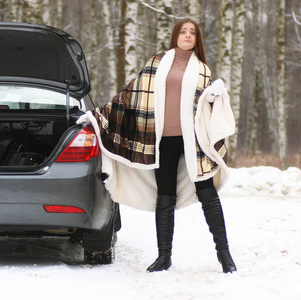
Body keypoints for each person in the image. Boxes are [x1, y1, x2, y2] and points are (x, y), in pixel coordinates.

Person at [78, 18, 237, 273]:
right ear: (175, 36)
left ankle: (224, 255)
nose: (187, 35)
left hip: (194, 141)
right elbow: (131, 94)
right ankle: (164, 257)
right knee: (165, 198)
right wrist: (97, 115)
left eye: (192, 33)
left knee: (207, 192)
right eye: (183, 31)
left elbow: (205, 108)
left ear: (197, 39)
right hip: (163, 140)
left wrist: (216, 96)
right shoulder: (157, 63)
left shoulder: (203, 70)